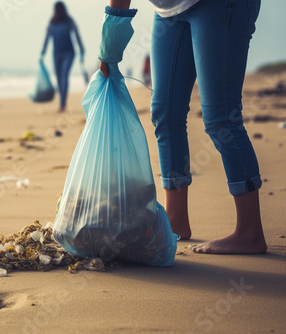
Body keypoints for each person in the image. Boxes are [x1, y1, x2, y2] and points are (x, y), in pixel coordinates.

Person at [100, 0, 266, 254]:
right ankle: (175, 221)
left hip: (220, 5)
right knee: (165, 112)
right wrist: (109, 49)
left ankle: (250, 231)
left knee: (221, 118)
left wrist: (110, 46)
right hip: (169, 11)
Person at [41, 1, 85, 112]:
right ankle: (62, 103)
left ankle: (62, 104)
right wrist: (43, 51)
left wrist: (43, 52)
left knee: (64, 77)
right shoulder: (52, 22)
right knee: (59, 79)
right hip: (57, 54)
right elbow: (47, 37)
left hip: (68, 53)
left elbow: (76, 34)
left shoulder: (68, 21)